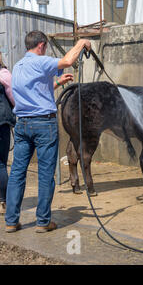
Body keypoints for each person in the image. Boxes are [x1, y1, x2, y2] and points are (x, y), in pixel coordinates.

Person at [5, 30, 91, 233]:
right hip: (44, 125)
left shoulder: (17, 67)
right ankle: (43, 222)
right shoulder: (41, 62)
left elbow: (34, 90)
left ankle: (11, 221)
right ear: (42, 45)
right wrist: (81, 42)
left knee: (17, 172)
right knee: (45, 174)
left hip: (23, 124)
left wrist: (59, 83)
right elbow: (68, 60)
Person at [0, 53, 15, 216]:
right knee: (1, 164)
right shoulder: (3, 74)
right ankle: (3, 201)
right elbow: (14, 96)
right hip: (1, 122)